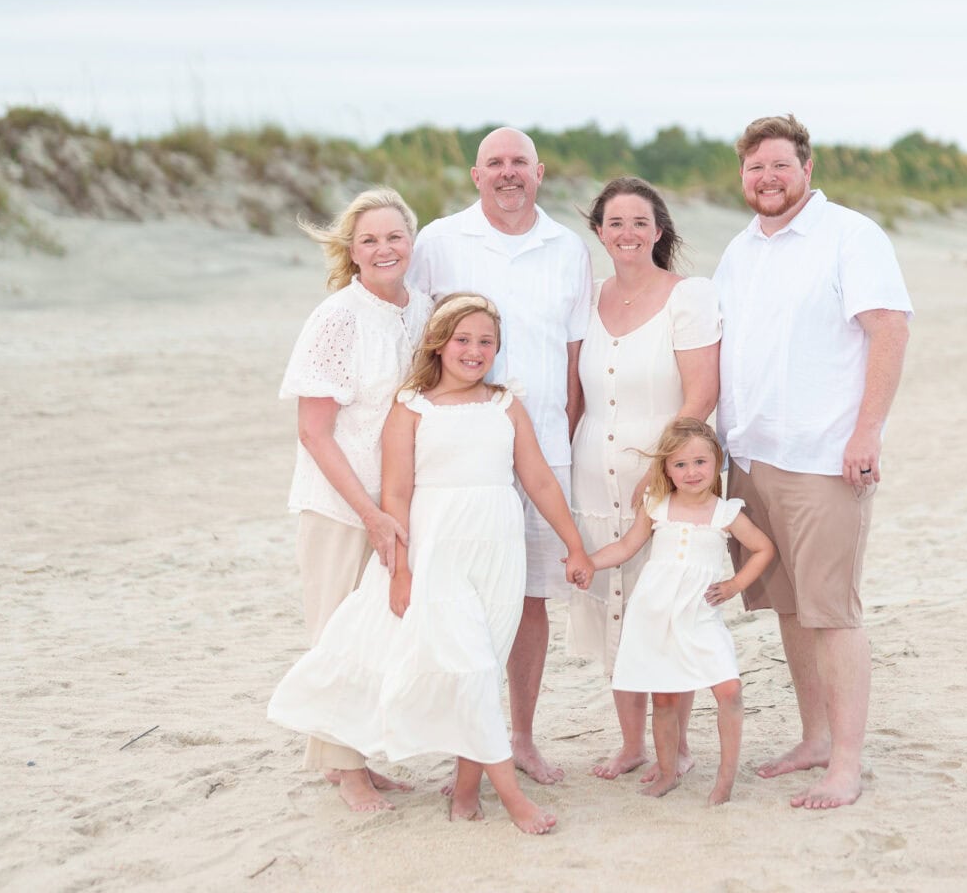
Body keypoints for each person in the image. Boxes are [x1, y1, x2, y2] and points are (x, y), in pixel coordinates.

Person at [268, 294, 590, 834]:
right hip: (436, 547)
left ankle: (467, 789)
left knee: (484, 662)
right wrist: (400, 571)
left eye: (486, 341)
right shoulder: (411, 407)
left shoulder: (505, 404)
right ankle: (512, 798)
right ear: (439, 344)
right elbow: (396, 493)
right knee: (465, 659)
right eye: (462, 339)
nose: (474, 350)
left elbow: (536, 477)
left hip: (497, 544)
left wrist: (574, 545)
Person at [713, 114, 912, 810]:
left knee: (833, 614)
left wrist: (868, 432)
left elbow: (889, 328)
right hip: (752, 458)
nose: (766, 178)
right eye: (754, 168)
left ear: (806, 168)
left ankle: (846, 764)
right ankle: (814, 738)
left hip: (825, 460)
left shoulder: (850, 236)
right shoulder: (740, 250)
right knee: (791, 611)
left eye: (779, 165)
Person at [407, 127, 592, 784]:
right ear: (476, 175)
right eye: (495, 164)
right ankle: (462, 737)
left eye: (519, 163)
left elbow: (575, 359)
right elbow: (413, 337)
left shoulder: (566, 248)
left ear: (539, 173)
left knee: (529, 598)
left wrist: (563, 440)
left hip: (542, 445)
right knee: (452, 591)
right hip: (457, 454)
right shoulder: (438, 240)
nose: (508, 173)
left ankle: (520, 737)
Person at [276, 188, 431, 812]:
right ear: (351, 250)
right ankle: (345, 771)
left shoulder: (424, 310)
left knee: (378, 633)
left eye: (394, 236)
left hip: (402, 501)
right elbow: (313, 431)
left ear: (412, 243)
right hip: (342, 506)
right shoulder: (337, 317)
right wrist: (368, 513)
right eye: (369, 239)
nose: (384, 248)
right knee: (336, 630)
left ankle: (357, 754)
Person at [565, 176, 720, 782]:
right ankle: (632, 744)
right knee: (614, 614)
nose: (626, 233)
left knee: (664, 612)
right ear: (599, 231)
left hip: (666, 480)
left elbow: (703, 390)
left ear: (659, 231)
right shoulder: (589, 297)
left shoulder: (689, 297)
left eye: (639, 223)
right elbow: (576, 398)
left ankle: (674, 748)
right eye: (614, 223)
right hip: (590, 479)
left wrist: (660, 473)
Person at [568, 419, 773, 804]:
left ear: (716, 464)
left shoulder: (724, 513)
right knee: (663, 700)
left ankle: (725, 781)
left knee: (729, 690)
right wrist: (590, 562)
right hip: (655, 613)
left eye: (700, 462)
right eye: (680, 465)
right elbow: (626, 547)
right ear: (665, 469)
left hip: (700, 615)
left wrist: (733, 585)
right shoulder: (657, 506)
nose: (691, 472)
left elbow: (763, 548)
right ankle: (666, 772)